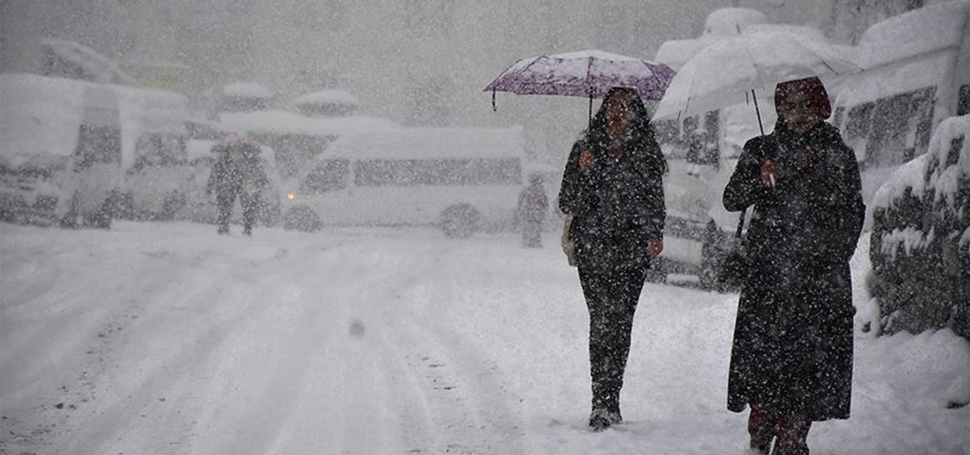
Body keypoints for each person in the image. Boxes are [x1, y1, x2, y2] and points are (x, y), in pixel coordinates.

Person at [722, 76, 865, 455]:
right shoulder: (761, 149)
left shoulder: (838, 154)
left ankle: (794, 435)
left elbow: (853, 212)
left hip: (818, 279)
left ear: (820, 107)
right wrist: (758, 177)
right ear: (779, 110)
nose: (798, 114)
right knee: (765, 360)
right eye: (789, 106)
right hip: (769, 277)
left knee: (808, 364)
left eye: (806, 105)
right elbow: (731, 199)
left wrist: (833, 255)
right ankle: (762, 423)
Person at [558, 87, 667, 431]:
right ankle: (600, 401)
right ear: (604, 111)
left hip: (631, 252)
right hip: (593, 249)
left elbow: (654, 200)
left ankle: (612, 397)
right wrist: (584, 170)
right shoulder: (585, 149)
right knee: (601, 320)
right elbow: (566, 201)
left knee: (620, 324)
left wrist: (654, 233)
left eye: (627, 107)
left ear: (637, 113)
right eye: (613, 106)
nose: (618, 113)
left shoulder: (646, 152)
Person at [207, 137, 269, 236]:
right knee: (246, 209)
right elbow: (260, 175)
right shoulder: (251, 162)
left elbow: (214, 174)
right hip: (245, 188)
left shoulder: (225, 162)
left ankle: (225, 228)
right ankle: (245, 229)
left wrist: (211, 185)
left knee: (226, 208)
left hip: (229, 187)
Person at [517, 174, 549, 248]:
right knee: (535, 228)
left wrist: (520, 207)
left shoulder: (528, 190)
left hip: (531, 211)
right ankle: (534, 242)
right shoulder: (540, 191)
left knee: (530, 227)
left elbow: (521, 199)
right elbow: (545, 202)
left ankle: (529, 242)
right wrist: (544, 210)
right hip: (535, 212)